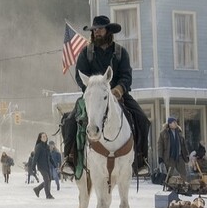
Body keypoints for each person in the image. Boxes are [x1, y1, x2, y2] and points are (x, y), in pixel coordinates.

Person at [62, 15, 150, 178]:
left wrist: (118, 89)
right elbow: (80, 75)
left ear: (108, 31)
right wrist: (90, 91)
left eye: (100, 29)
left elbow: (126, 75)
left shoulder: (120, 52)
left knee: (142, 119)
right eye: (95, 30)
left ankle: (140, 159)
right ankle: (70, 158)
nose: (97, 33)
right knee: (69, 121)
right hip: (93, 95)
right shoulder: (85, 53)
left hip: (118, 95)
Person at [157, 117, 188, 185]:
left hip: (179, 156)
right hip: (169, 156)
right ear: (170, 124)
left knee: (183, 173)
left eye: (176, 122)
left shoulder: (179, 132)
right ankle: (170, 186)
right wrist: (160, 157)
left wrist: (186, 155)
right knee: (169, 174)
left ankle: (185, 187)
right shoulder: (163, 133)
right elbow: (160, 146)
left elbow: (184, 145)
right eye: (174, 122)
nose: (176, 124)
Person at [31, 132, 54, 199]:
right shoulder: (38, 147)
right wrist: (33, 167)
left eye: (45, 136)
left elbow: (50, 156)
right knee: (47, 179)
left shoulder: (47, 147)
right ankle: (48, 195)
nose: (45, 138)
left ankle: (37, 189)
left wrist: (54, 164)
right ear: (40, 138)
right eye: (43, 137)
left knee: (48, 180)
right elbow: (35, 157)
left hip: (47, 165)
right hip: (41, 166)